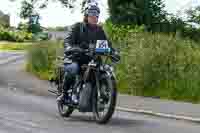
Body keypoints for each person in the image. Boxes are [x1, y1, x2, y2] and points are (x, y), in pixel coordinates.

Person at [57, 2, 114, 103]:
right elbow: (67, 41)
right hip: (76, 57)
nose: (94, 17)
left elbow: (106, 44)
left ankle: (100, 93)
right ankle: (64, 94)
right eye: (91, 14)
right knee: (73, 68)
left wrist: (113, 52)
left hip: (93, 59)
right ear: (86, 15)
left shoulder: (99, 30)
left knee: (105, 69)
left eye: (96, 15)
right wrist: (70, 47)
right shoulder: (77, 27)